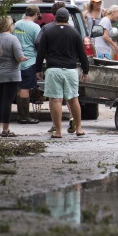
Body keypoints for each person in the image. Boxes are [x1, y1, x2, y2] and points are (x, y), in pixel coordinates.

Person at [35, 8, 89, 138]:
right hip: (70, 70)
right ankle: (79, 128)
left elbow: (41, 52)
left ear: (55, 18)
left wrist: (38, 69)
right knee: (73, 99)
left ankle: (58, 131)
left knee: (55, 100)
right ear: (67, 19)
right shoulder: (74, 32)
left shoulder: (47, 31)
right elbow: (82, 54)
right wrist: (85, 70)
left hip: (53, 70)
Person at [0, 16, 27, 137]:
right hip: (11, 75)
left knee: (0, 100)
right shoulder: (13, 39)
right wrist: (24, 59)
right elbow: (19, 57)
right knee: (7, 101)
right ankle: (6, 129)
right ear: (10, 26)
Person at [12, 5, 42, 124]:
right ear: (36, 14)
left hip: (16, 61)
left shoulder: (16, 25)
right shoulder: (35, 27)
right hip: (29, 61)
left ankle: (20, 114)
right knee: (25, 88)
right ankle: (24, 116)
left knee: (19, 88)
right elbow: (39, 44)